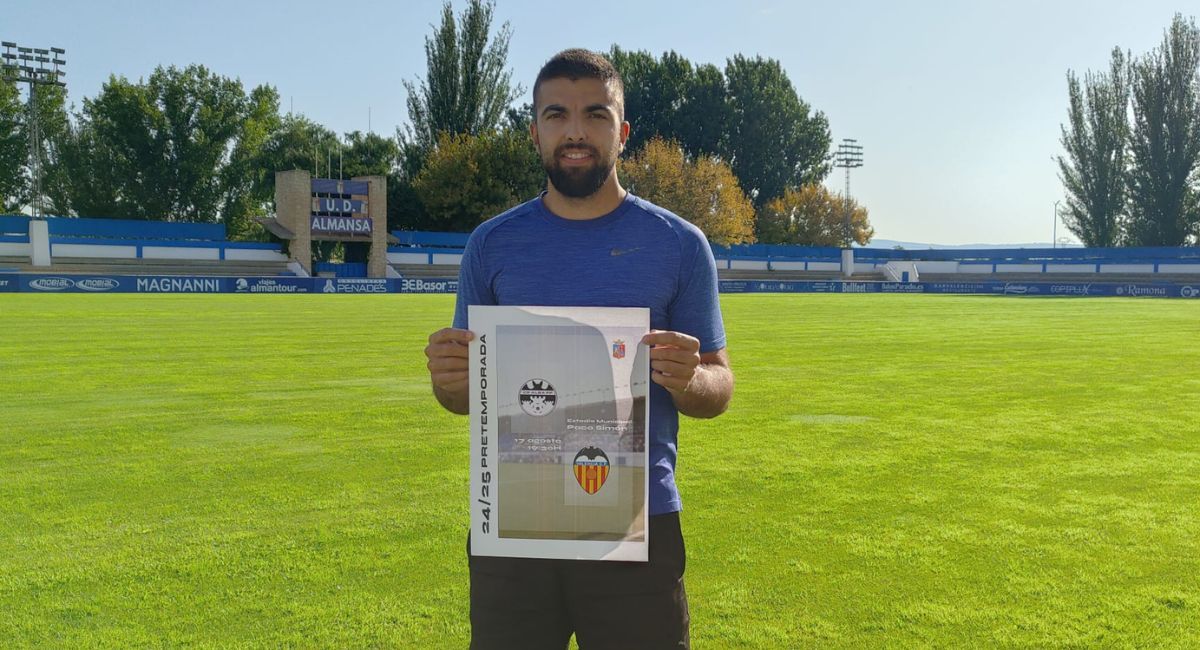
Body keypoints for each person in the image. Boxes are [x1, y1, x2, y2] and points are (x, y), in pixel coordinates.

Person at [423, 48, 734, 650]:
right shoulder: (491, 245)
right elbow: (460, 400)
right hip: (515, 521)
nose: (574, 131)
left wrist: (688, 378)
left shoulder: (678, 245)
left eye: (595, 114)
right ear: (535, 129)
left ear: (622, 132)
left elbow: (719, 387)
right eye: (556, 114)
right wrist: (449, 377)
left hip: (635, 526)